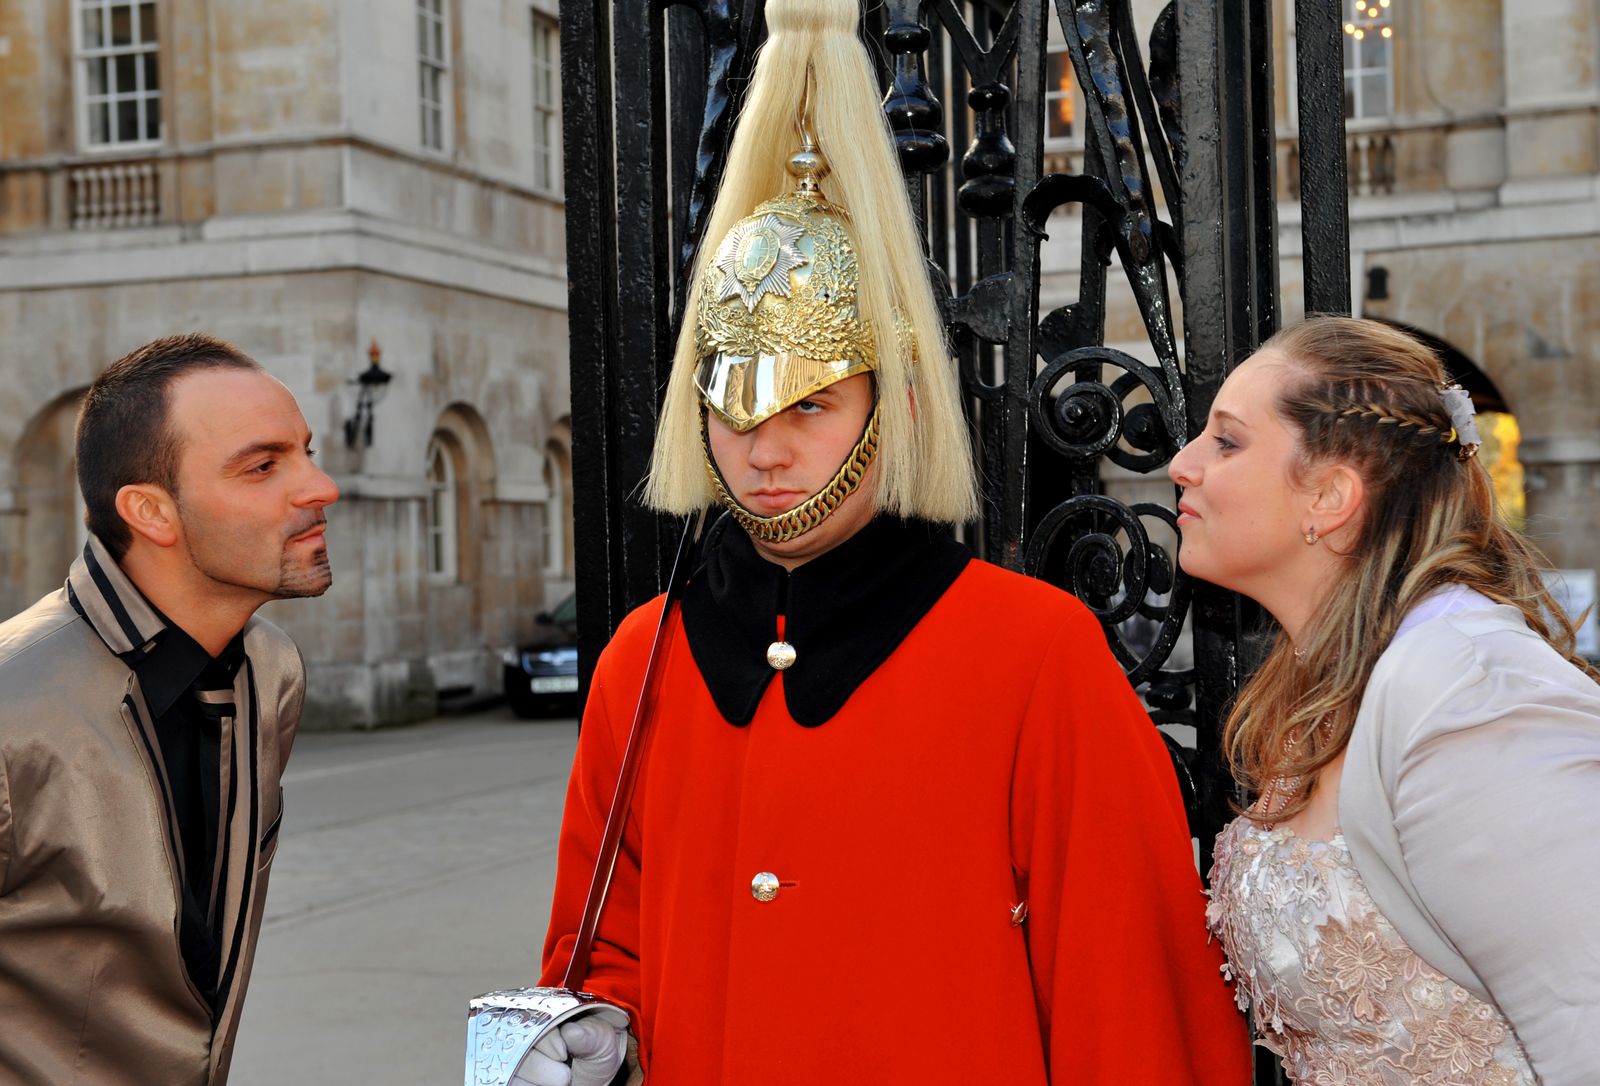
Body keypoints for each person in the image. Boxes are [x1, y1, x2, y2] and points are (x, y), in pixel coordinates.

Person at [525, 2, 1252, 1083]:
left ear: (896, 405)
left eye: (810, 407)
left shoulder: (1035, 653)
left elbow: (1125, 1001)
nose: (766, 452)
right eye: (737, 408)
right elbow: (604, 949)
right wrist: (585, 1029)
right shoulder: (646, 652)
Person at [1170, 316, 1600, 1084]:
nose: (1181, 464)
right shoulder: (1323, 685)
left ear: (1330, 496)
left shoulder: (1467, 692)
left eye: (1226, 442)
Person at [0, 334, 339, 1085]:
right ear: (152, 511)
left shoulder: (272, 671)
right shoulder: (11, 705)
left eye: (305, 452)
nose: (321, 487)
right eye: (264, 466)